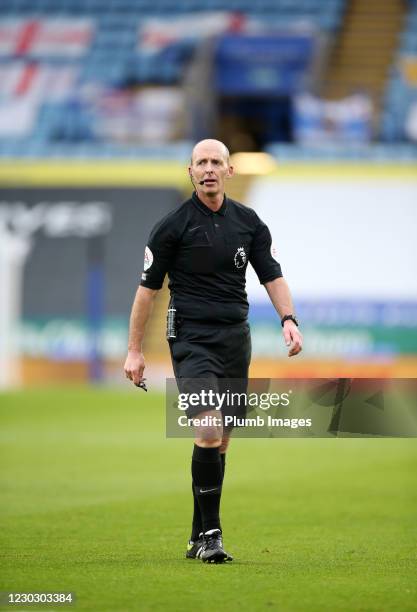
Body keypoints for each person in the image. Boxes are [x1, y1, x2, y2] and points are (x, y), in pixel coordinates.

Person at [124, 139, 302, 564]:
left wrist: (289, 319)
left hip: (234, 339)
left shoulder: (250, 223)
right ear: (190, 172)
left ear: (229, 171)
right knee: (207, 428)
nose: (208, 168)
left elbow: (272, 276)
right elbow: (147, 292)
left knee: (220, 441)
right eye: (200, 162)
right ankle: (213, 535)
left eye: (215, 162)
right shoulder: (172, 227)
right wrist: (134, 350)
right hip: (190, 338)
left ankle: (197, 536)